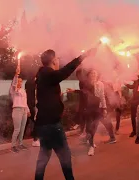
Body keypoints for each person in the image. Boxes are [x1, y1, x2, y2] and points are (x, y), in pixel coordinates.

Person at [34, 49, 95, 180]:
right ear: (53, 60)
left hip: (43, 123)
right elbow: (66, 70)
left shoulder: (42, 75)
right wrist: (83, 55)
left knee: (44, 155)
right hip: (52, 124)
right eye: (57, 58)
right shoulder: (48, 74)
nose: (58, 60)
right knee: (65, 156)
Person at [83, 69, 116, 156]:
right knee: (91, 126)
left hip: (99, 108)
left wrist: (104, 108)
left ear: (97, 75)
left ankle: (111, 137)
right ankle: (91, 144)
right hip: (90, 109)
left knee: (99, 124)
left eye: (95, 73)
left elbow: (102, 96)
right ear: (89, 75)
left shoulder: (100, 84)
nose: (93, 75)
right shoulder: (87, 84)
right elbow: (84, 95)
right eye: (92, 73)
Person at [9, 66, 31, 153]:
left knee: (22, 128)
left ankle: (20, 143)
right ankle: (13, 145)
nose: (20, 83)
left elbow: (25, 101)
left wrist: (28, 110)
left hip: (24, 110)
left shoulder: (23, 90)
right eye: (18, 81)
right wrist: (16, 75)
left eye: (21, 81)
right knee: (17, 129)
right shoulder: (13, 90)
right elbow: (14, 84)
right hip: (17, 110)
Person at [25, 73, 39, 147]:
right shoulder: (34, 84)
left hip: (27, 105)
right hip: (32, 105)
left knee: (26, 122)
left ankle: (19, 139)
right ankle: (35, 139)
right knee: (36, 121)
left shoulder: (27, 83)